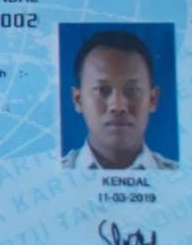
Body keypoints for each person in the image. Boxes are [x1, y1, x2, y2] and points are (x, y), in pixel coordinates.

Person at [62, 30, 178, 169]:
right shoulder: (48, 176)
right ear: (78, 100)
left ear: (152, 99)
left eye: (133, 90)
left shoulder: (181, 177)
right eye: (102, 90)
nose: (117, 106)